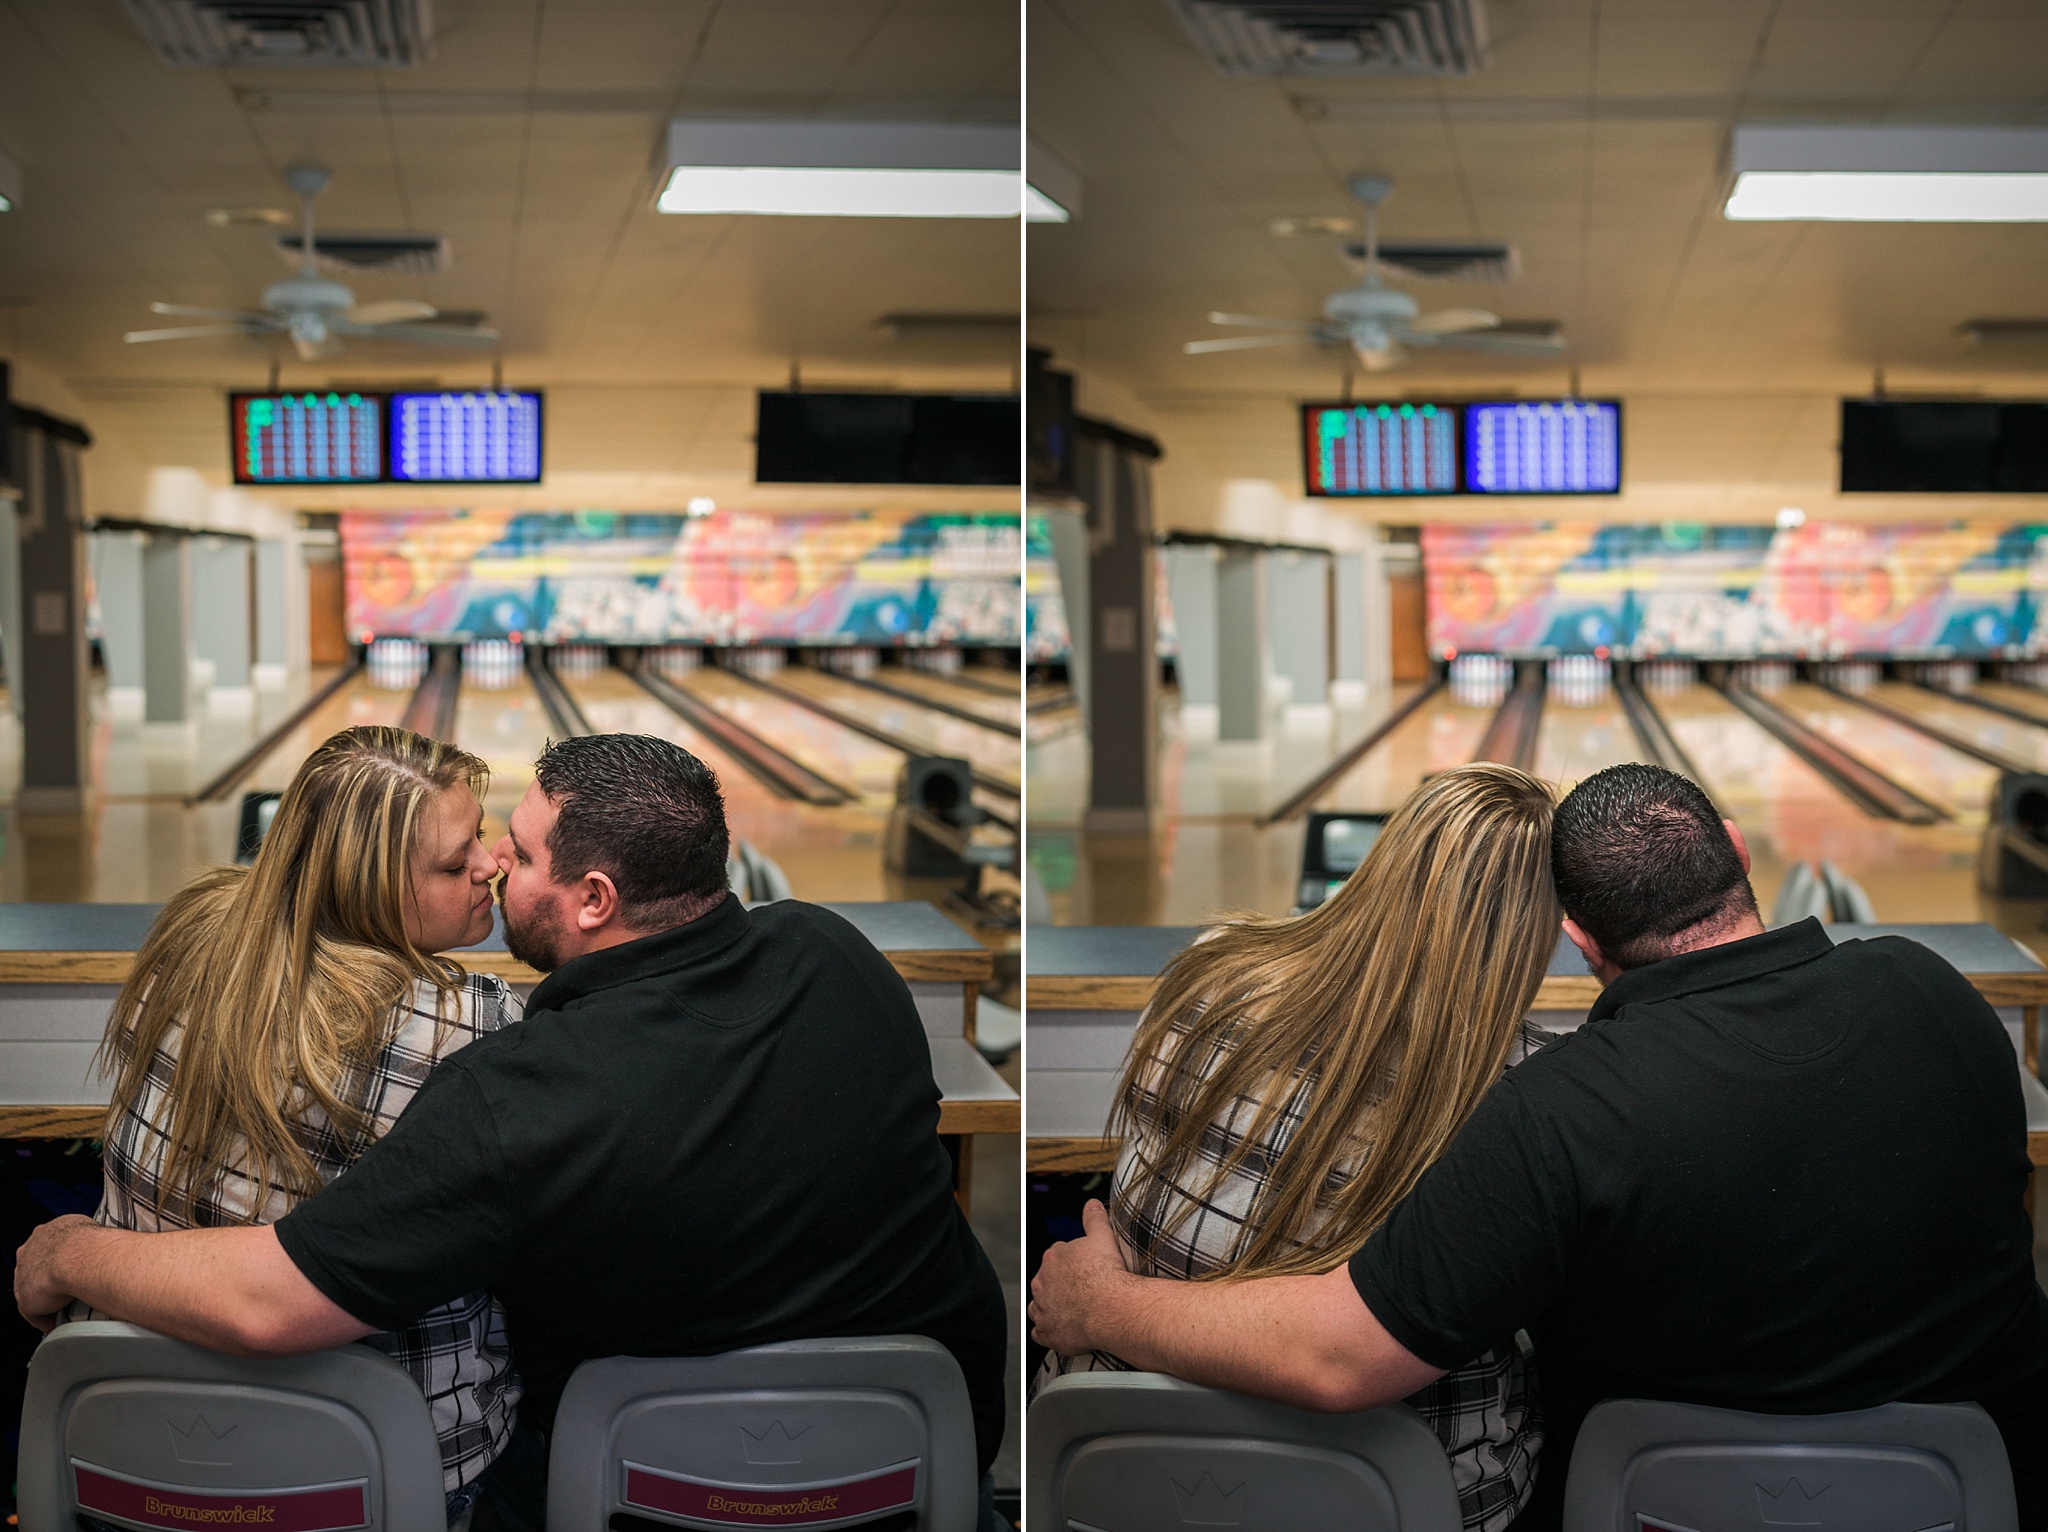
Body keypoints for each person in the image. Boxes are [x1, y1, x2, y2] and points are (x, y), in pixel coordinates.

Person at [17, 733, 1008, 1532]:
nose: (499, 859)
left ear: (592, 898)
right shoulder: (838, 950)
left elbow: (271, 1302)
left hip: (644, 1488)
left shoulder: (518, 1091)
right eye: (480, 847)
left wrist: (67, 1244)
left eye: (521, 850)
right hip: (913, 1455)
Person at [1031, 762, 2048, 1530]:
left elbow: (1338, 1352)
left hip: (1124, 1464)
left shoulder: (1560, 1105)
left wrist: (1100, 1301)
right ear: (1737, 850)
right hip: (1964, 1488)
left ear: (1583, 937)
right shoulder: (1933, 993)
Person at [1035, 764, 1557, 1532]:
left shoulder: (1211, 972)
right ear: (1538, 932)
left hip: (1121, 1468)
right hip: (1390, 1495)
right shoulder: (1528, 1084)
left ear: (1383, 861)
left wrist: (1105, 1305)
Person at [75, 726, 519, 1519]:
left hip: (131, 1436)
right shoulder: (468, 1022)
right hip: (376, 1464)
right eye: (456, 863)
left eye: (480, 834)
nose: (490, 865)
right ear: (371, 887)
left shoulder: (195, 935)